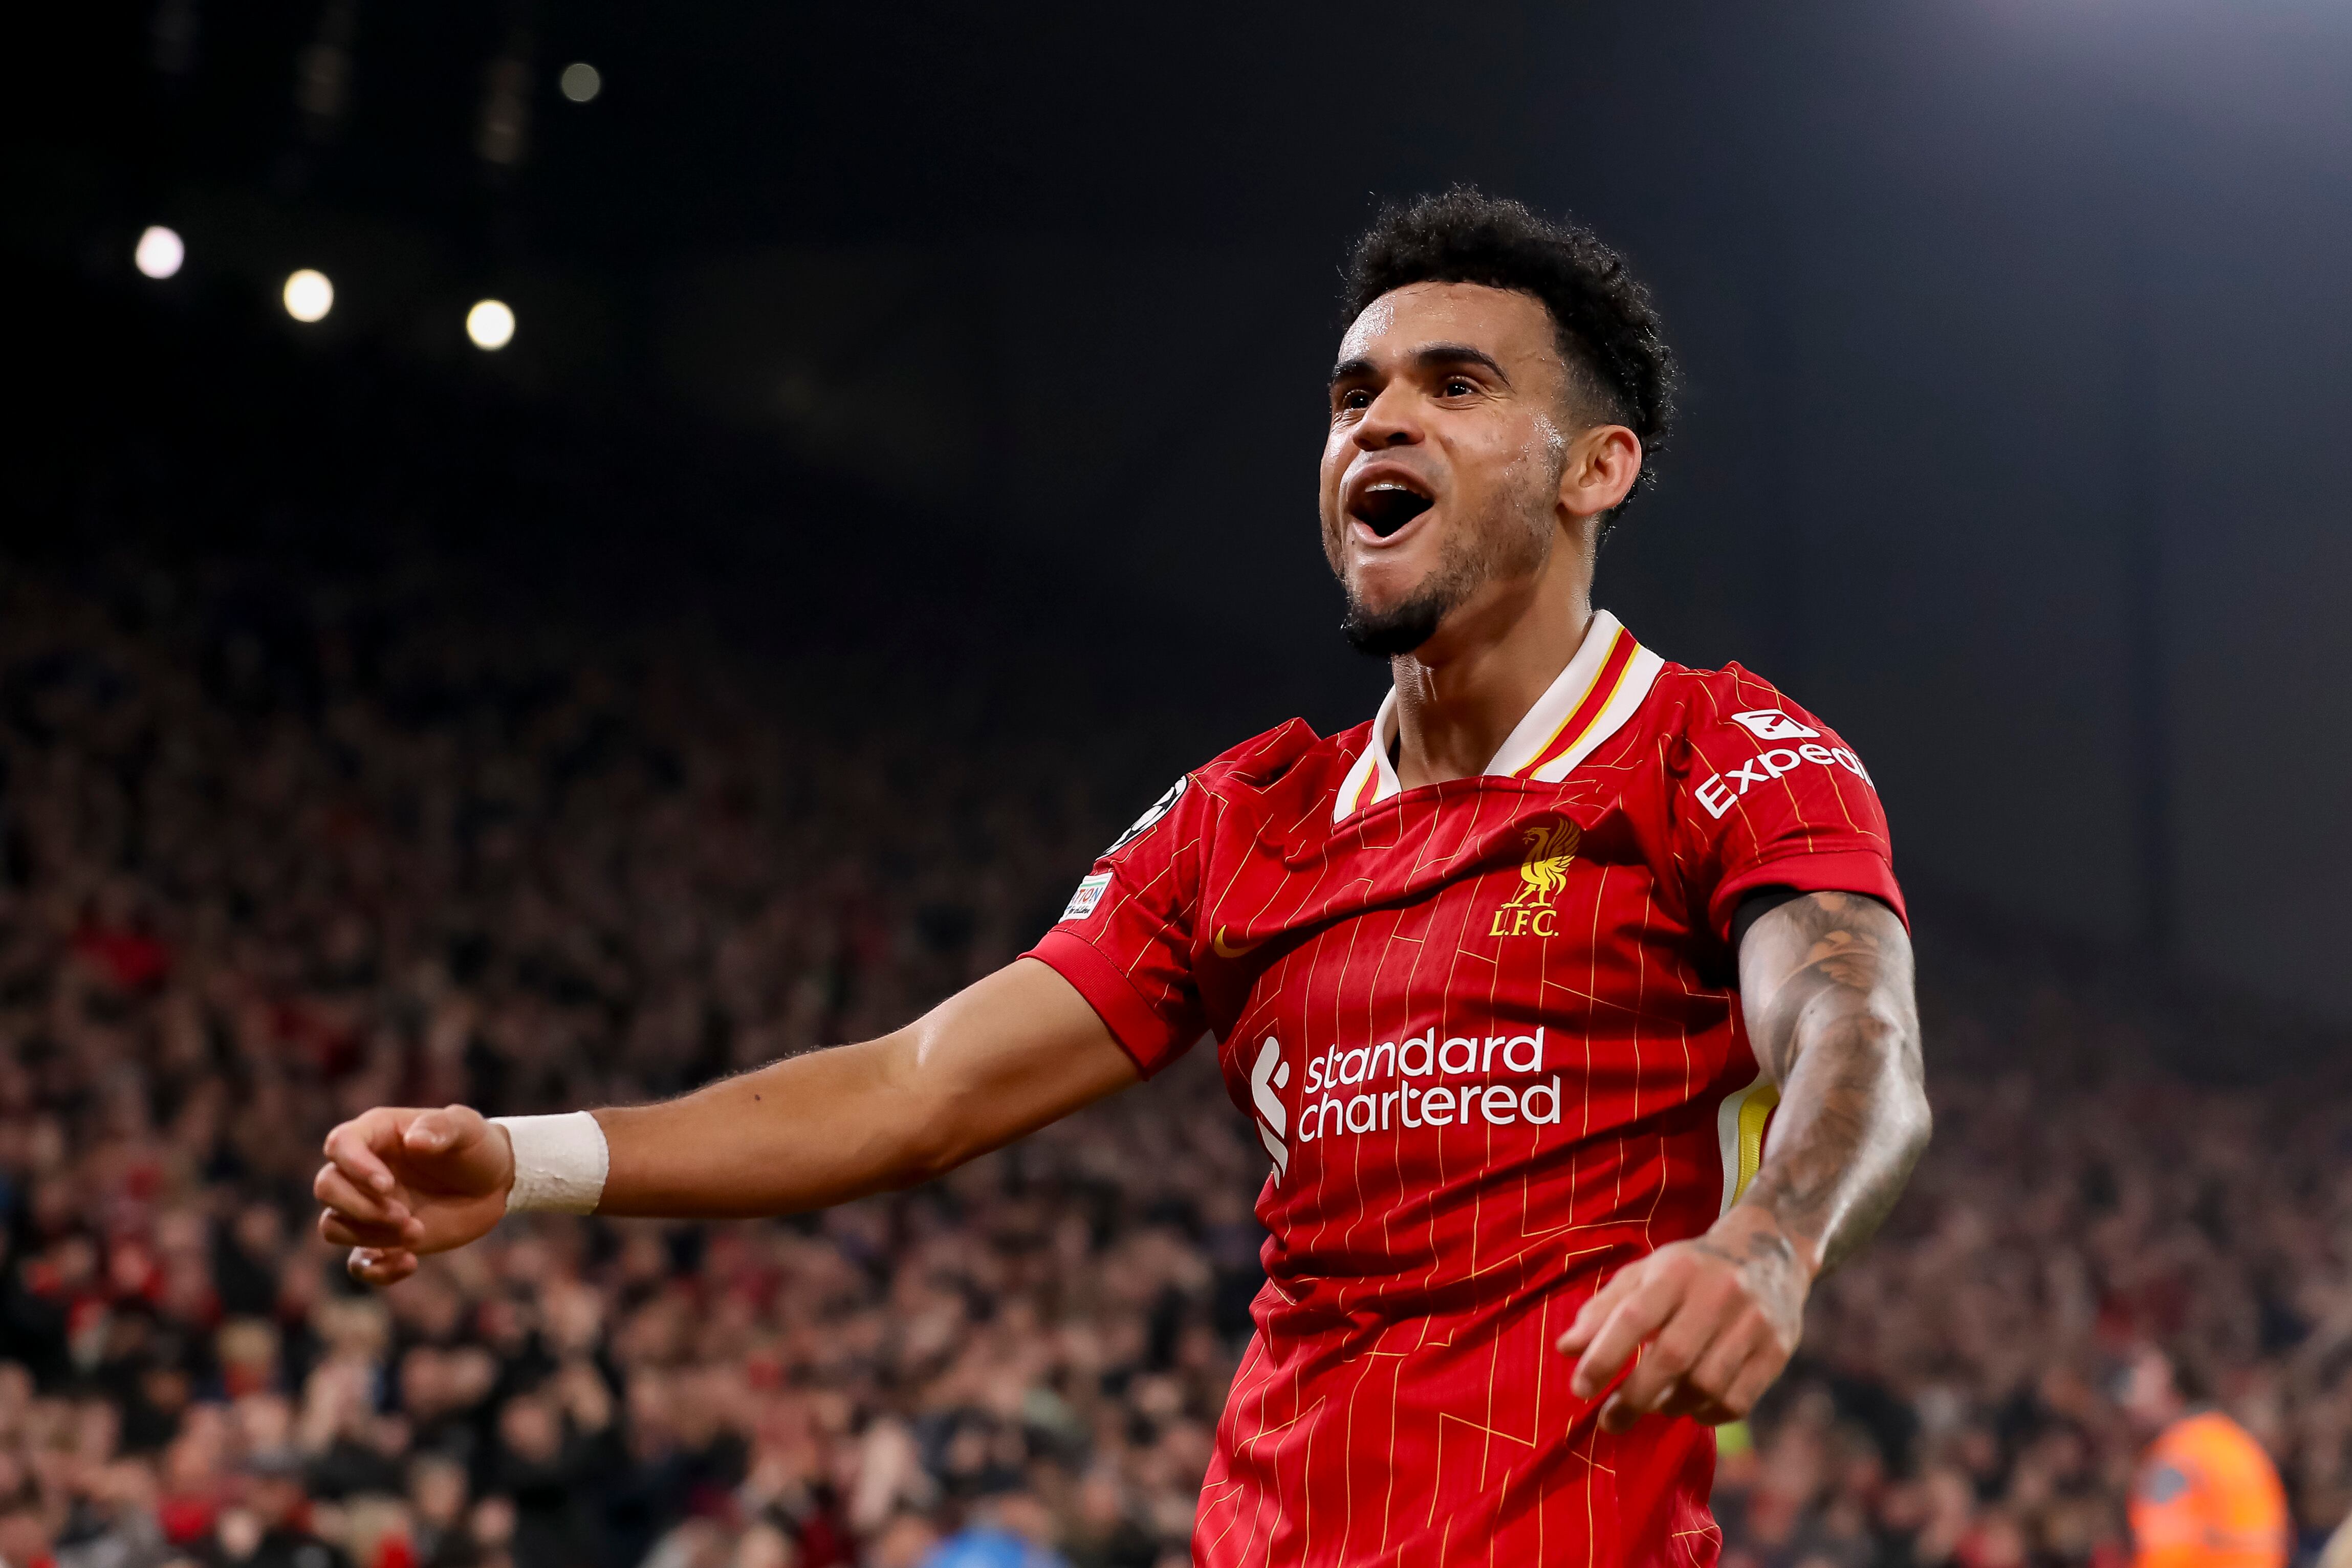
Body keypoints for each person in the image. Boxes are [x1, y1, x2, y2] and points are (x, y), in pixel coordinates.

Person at [314, 188, 1932, 1566]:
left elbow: (1853, 1033)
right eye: (1351, 394)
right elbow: (915, 1089)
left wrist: (1768, 1242)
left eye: (1454, 385)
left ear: (1596, 468)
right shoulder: (1242, 819)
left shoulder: (1716, 751)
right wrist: (525, 1161)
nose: (1378, 422)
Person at [2120, 1346, 2289, 1568]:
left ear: (2169, 1387)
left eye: (2140, 1382)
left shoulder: (2176, 1456)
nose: (2129, 1398)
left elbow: (2166, 1550)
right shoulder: (2238, 1443)